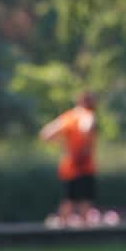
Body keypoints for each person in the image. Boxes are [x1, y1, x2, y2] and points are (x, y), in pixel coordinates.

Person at [40, 92, 98, 222]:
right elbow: (86, 127)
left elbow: (46, 134)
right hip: (84, 165)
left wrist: (63, 142)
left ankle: (62, 232)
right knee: (85, 202)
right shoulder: (87, 115)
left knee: (68, 201)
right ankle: (85, 233)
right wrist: (84, 143)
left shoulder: (68, 117)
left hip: (69, 166)